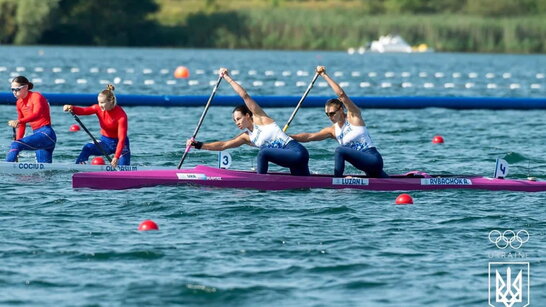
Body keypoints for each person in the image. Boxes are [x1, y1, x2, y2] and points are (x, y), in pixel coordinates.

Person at [186, 67, 310, 176]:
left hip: (297, 152)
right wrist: (198, 145)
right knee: (303, 186)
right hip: (291, 161)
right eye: (234, 121)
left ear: (247, 115)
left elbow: (244, 95)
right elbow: (223, 145)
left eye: (239, 119)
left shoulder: (260, 117)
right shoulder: (246, 137)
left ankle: (259, 183)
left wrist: (227, 78)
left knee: (263, 153)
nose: (237, 123)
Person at [291, 66, 388, 178]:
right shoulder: (332, 130)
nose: (329, 117)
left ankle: (337, 180)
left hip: (373, 159)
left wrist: (324, 75)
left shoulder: (354, 116)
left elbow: (341, 95)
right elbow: (309, 137)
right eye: (327, 114)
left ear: (341, 109)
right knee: (391, 184)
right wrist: (288, 137)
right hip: (365, 167)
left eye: (332, 113)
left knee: (340, 150)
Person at [63, 84, 130, 167]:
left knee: (123, 168)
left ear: (111, 101)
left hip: (121, 145)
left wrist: (116, 157)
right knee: (87, 148)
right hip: (105, 142)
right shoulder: (98, 108)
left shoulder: (121, 116)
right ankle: (79, 168)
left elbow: (122, 139)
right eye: (98, 102)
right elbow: (83, 110)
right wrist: (71, 107)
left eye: (102, 102)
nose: (99, 105)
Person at [6, 76, 57, 163]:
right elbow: (22, 125)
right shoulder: (19, 103)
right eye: (12, 89)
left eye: (17, 89)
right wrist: (18, 142)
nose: (14, 92)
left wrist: (19, 121)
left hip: (46, 135)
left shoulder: (36, 96)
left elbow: (37, 114)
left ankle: (4, 169)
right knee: (44, 171)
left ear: (26, 87)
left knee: (15, 144)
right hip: (38, 136)